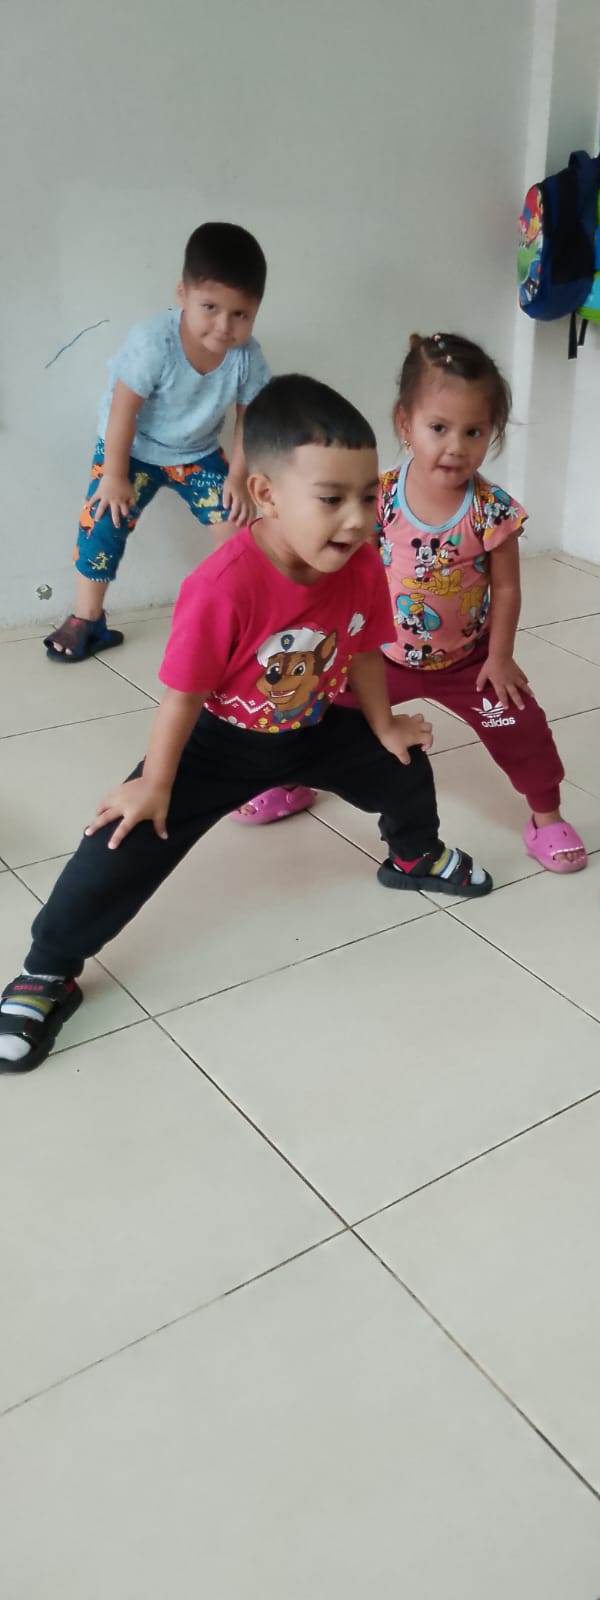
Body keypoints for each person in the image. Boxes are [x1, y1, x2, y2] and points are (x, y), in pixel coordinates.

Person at [0, 376, 493, 1073]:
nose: (357, 519)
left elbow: (361, 649)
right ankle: (47, 970)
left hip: (314, 725)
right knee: (122, 835)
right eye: (331, 499)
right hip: (220, 744)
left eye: (367, 496)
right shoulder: (222, 585)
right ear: (266, 494)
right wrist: (156, 783)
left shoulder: (359, 565)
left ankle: (413, 856)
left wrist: (383, 725)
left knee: (404, 764)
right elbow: (182, 696)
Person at [345, 332, 586, 873]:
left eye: (473, 431)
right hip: (382, 657)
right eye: (439, 428)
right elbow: (355, 571)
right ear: (405, 423)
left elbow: (508, 588)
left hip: (468, 663)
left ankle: (545, 816)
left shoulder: (492, 510)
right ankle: (290, 778)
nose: (456, 446)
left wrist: (500, 657)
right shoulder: (379, 496)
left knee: (523, 727)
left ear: (491, 434)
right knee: (312, 706)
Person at [45, 222, 270, 662]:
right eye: (210, 307)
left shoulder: (247, 357)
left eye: (240, 315)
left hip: (197, 453)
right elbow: (122, 412)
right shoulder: (154, 343)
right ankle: (87, 619)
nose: (224, 326)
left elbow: (250, 421)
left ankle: (231, 618)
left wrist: (238, 479)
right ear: (182, 294)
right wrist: (114, 475)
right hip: (131, 449)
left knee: (239, 524)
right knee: (101, 521)